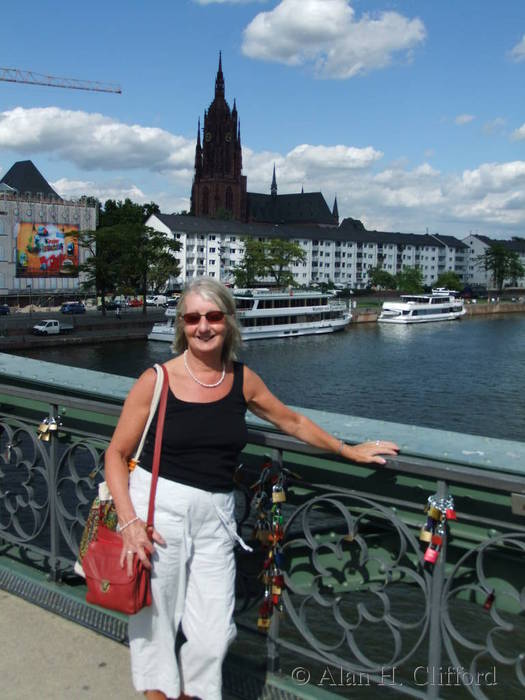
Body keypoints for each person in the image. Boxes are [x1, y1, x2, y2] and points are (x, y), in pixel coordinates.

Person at [105, 277, 399, 700]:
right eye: (192, 318)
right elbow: (115, 454)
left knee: (213, 635)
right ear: (181, 325)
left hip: (218, 518)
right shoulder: (156, 380)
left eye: (212, 316)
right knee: (156, 625)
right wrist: (130, 522)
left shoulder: (242, 380)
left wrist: (345, 449)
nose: (203, 326)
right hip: (158, 515)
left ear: (228, 320)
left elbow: (292, 421)